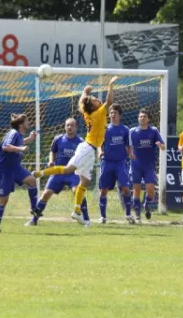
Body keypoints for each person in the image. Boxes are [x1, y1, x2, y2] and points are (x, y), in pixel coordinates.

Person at [33, 76, 119, 225]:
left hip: (90, 151)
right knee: (68, 169)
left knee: (84, 182)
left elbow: (81, 102)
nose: (97, 100)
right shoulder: (97, 114)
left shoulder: (88, 112)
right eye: (94, 100)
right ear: (93, 106)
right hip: (86, 148)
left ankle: (77, 211)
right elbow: (110, 102)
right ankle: (40, 174)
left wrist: (85, 92)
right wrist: (110, 85)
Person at [26, 118, 91, 227]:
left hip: (73, 173)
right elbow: (53, 151)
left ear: (76, 127)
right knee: (46, 194)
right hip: (58, 172)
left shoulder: (80, 142)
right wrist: (51, 161)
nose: (69, 127)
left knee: (77, 191)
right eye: (67, 125)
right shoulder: (58, 139)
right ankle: (34, 220)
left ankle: (86, 219)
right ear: (65, 127)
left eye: (72, 125)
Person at [0, 114, 38, 233]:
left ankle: (34, 209)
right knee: (4, 200)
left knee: (32, 181)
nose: (29, 123)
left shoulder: (18, 135)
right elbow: (6, 147)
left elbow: (19, 142)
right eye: (27, 121)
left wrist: (30, 139)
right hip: (4, 169)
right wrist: (21, 149)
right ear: (21, 124)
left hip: (15, 167)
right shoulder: (13, 133)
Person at [97, 104, 132, 224]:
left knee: (126, 188)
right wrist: (100, 152)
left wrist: (130, 153)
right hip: (107, 162)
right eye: (111, 113)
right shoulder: (105, 128)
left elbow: (128, 145)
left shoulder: (125, 129)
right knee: (103, 190)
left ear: (119, 115)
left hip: (120, 162)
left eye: (115, 113)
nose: (112, 115)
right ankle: (103, 217)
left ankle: (128, 214)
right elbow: (99, 144)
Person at [129, 109, 166, 221]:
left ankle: (147, 205)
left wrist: (160, 146)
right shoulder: (132, 131)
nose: (142, 118)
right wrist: (130, 153)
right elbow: (127, 146)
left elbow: (164, 146)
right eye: (140, 116)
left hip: (149, 165)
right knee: (136, 190)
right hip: (136, 164)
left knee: (151, 190)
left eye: (144, 116)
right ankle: (137, 213)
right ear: (138, 118)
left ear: (148, 119)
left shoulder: (154, 131)